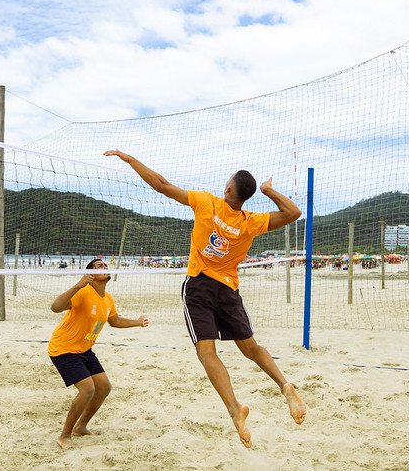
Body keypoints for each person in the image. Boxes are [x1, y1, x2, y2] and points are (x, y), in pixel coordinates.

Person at [104, 149, 306, 449]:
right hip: (228, 289)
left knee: (207, 353)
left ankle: (235, 408)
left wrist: (130, 160)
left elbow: (160, 185)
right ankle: (284, 384)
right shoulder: (250, 221)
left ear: (227, 190)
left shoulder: (206, 202)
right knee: (250, 347)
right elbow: (293, 213)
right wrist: (269, 190)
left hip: (199, 285)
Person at [48, 258, 149, 449]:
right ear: (91, 275)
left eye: (105, 265)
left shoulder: (108, 298)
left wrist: (138, 322)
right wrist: (78, 284)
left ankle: (81, 427)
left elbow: (115, 320)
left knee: (104, 387)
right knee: (88, 390)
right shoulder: (83, 292)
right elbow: (55, 307)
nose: (104, 267)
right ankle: (64, 435)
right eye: (99, 266)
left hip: (84, 350)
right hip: (63, 349)